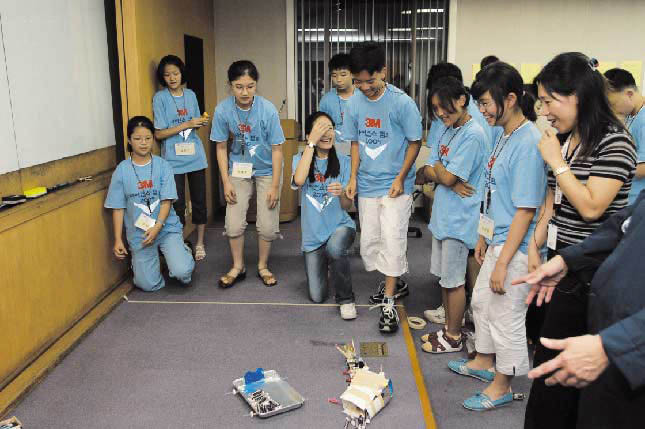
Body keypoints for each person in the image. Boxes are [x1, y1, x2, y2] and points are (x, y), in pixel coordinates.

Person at [523, 53, 636, 429]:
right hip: (560, 263)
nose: (545, 111)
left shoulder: (615, 141)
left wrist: (557, 161)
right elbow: (552, 202)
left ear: (578, 96)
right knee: (548, 371)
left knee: (568, 379)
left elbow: (591, 208)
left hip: (591, 275)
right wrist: (536, 246)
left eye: (550, 100)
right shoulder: (565, 138)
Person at [446, 62, 547, 411]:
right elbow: (493, 192)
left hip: (518, 245)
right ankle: (484, 362)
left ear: (512, 98)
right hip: (498, 236)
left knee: (506, 313)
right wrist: (483, 237)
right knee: (482, 303)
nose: (483, 110)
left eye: (487, 103)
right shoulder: (504, 133)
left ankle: (503, 384)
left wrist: (503, 262)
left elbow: (525, 210)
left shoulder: (529, 140)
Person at [513, 190, 645, 429]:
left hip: (630, 353)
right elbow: (625, 224)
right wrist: (569, 260)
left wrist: (616, 346)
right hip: (612, 339)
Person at [342, 43, 422, 334]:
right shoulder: (353, 104)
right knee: (370, 244)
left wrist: (401, 177)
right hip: (367, 183)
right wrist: (352, 178)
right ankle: (395, 280)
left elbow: (415, 141)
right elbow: (354, 142)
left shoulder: (402, 103)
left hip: (395, 187)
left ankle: (389, 300)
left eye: (370, 80)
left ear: (383, 72)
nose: (364, 87)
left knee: (392, 239)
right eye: (358, 81)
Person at [417, 77, 488, 353]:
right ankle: (448, 328)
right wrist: (441, 173)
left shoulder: (473, 134)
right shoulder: (447, 130)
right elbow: (432, 168)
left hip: (461, 219)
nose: (440, 113)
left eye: (444, 107)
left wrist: (441, 173)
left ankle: (454, 335)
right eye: (435, 109)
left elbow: (443, 175)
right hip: (444, 217)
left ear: (461, 100)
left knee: (455, 281)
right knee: (445, 280)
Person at [211, 60, 285, 288]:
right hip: (238, 169)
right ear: (230, 86)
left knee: (267, 225)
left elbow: (277, 149)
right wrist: (225, 182)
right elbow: (221, 147)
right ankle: (238, 266)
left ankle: (262, 266)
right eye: (239, 86)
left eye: (250, 86)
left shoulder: (268, 110)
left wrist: (274, 185)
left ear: (256, 85)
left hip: (267, 170)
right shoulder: (223, 110)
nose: (245, 92)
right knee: (233, 223)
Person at [105, 116, 194, 291]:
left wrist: (158, 226)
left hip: (165, 228)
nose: (143, 143)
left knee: (182, 272)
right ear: (129, 140)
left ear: (153, 139)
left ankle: (184, 252)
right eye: (137, 139)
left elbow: (167, 201)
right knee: (148, 285)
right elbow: (118, 208)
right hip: (140, 234)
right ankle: (154, 263)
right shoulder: (121, 171)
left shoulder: (163, 165)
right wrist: (117, 240)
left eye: (148, 138)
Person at [292, 112, 356, 319]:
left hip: (341, 226)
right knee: (317, 296)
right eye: (320, 129)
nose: (327, 133)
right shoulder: (299, 160)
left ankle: (346, 299)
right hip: (314, 236)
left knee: (336, 248)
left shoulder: (344, 162)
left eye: (329, 128)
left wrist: (343, 193)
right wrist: (310, 144)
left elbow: (347, 206)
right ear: (310, 134)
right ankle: (329, 263)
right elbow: (300, 180)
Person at [152, 55, 210, 261]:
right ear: (162, 77)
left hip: (195, 156)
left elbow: (194, 123)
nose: (172, 78)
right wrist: (186, 124)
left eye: (175, 73)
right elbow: (158, 133)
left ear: (181, 74)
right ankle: (179, 243)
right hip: (173, 161)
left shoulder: (191, 95)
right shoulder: (160, 98)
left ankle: (200, 242)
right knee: (176, 205)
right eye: (167, 75)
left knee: (200, 202)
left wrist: (200, 121)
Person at [605, 68, 645, 203]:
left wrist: (612, 167)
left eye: (613, 104)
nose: (612, 109)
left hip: (638, 202)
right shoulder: (631, 116)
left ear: (629, 94)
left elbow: (643, 168)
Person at [319, 53, 359, 156]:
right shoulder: (326, 100)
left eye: (343, 74)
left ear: (352, 74)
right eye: (334, 75)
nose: (338, 79)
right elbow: (322, 129)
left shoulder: (363, 96)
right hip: (336, 153)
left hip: (360, 152)